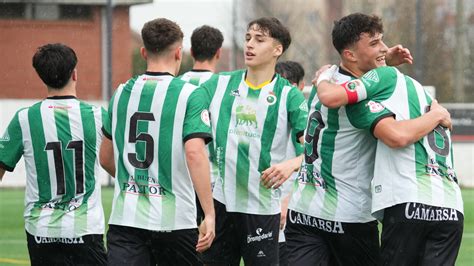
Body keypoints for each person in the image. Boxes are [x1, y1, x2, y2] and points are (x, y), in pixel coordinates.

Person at [286, 13, 454, 266]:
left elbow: (355, 78)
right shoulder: (358, 99)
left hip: (303, 214)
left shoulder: (327, 80)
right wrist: (437, 115)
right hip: (348, 216)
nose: (384, 48)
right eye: (375, 43)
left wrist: (383, 61)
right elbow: (397, 135)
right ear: (351, 55)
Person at [99, 18, 215, 265]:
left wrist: (137, 182)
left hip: (126, 220)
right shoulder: (190, 94)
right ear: (178, 53)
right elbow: (194, 153)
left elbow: (106, 157)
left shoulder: (120, 93)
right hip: (174, 223)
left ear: (143, 52)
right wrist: (209, 212)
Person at [201, 17, 308, 265]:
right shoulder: (220, 83)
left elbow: (315, 148)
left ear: (277, 50)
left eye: (259, 40)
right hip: (221, 207)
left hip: (261, 210)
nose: (250, 44)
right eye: (248, 38)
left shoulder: (289, 95)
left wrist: (292, 164)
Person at [0, 43, 107, 265]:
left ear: (42, 77)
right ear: (74, 74)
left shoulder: (25, 119)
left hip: (41, 231)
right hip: (84, 230)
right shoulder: (97, 116)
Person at [179, 25, 223, 226]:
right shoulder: (224, 86)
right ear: (218, 53)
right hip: (213, 181)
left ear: (192, 52)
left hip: (181, 180)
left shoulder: (176, 84)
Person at [275, 60, 305, 266]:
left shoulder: (302, 118)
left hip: (289, 211)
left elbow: (312, 159)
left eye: (289, 84)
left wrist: (288, 202)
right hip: (261, 208)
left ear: (299, 87)